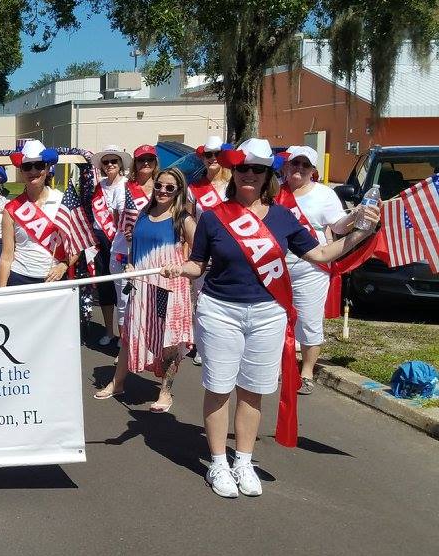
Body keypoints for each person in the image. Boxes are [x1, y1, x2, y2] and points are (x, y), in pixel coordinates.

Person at [162, 138, 380, 499]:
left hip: (268, 314)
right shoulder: (214, 217)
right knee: (218, 388)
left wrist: (361, 232)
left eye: (258, 169)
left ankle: (243, 461)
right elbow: (198, 263)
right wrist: (178, 269)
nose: (250, 174)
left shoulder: (283, 217)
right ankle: (217, 462)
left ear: (268, 176)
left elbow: (322, 253)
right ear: (236, 171)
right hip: (220, 311)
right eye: (244, 168)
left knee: (253, 389)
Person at [95, 167, 194, 411]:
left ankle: (165, 392)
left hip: (169, 288)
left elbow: (200, 255)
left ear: (178, 190)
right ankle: (117, 383)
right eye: (159, 185)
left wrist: (181, 267)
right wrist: (130, 263)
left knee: (168, 340)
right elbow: (134, 246)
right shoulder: (143, 214)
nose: (162, 191)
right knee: (131, 333)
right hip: (141, 287)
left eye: (169, 187)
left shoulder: (183, 219)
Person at [276, 145, 359, 394]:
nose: (299, 168)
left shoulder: (324, 195)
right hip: (275, 268)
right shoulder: (273, 192)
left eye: (305, 165)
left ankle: (307, 371)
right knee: (275, 320)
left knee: (309, 321)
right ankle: (277, 367)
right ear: (286, 166)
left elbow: (340, 226)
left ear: (313, 170)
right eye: (295, 163)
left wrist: (355, 216)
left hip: (310, 268)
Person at [0, 140, 80, 286]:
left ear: (48, 168)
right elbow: (6, 256)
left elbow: (77, 244)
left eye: (39, 165)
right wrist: (1, 294)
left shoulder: (63, 201)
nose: (33, 171)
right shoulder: (11, 209)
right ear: (21, 170)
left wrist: (63, 266)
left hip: (53, 278)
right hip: (20, 278)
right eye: (28, 166)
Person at [186, 135, 232, 366]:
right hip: (204, 250)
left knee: (229, 300)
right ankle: (202, 346)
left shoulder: (234, 185)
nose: (212, 158)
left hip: (234, 250)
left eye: (216, 154)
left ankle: (226, 344)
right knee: (202, 301)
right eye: (208, 155)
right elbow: (188, 220)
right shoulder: (194, 188)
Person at [110, 144, 157, 329]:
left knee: (150, 302)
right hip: (123, 252)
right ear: (135, 163)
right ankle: (124, 349)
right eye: (141, 160)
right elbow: (117, 220)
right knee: (124, 302)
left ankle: (144, 345)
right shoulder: (122, 188)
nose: (146, 163)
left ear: (155, 162)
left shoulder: (162, 188)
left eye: (150, 159)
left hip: (151, 254)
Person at [88, 145, 131, 344]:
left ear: (121, 163)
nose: (110, 165)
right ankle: (109, 331)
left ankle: (126, 334)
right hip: (100, 239)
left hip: (121, 240)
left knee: (123, 288)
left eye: (114, 161)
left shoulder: (128, 185)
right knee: (105, 285)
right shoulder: (99, 187)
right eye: (106, 162)